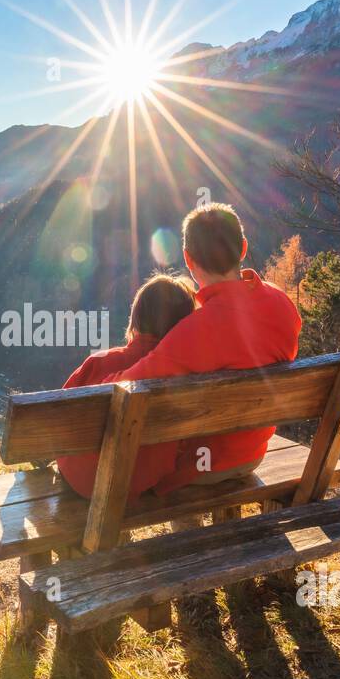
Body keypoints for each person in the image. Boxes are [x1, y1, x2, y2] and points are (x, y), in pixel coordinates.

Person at [100, 203, 302, 495]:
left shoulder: (195, 331)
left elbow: (125, 387)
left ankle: (184, 532)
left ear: (188, 259)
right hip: (253, 454)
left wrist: (101, 373)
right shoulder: (282, 305)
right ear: (243, 249)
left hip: (200, 466)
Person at [56, 272, 196, 501]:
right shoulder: (187, 371)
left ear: (136, 317)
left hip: (85, 482)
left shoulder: (101, 363)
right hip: (145, 479)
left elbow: (59, 419)